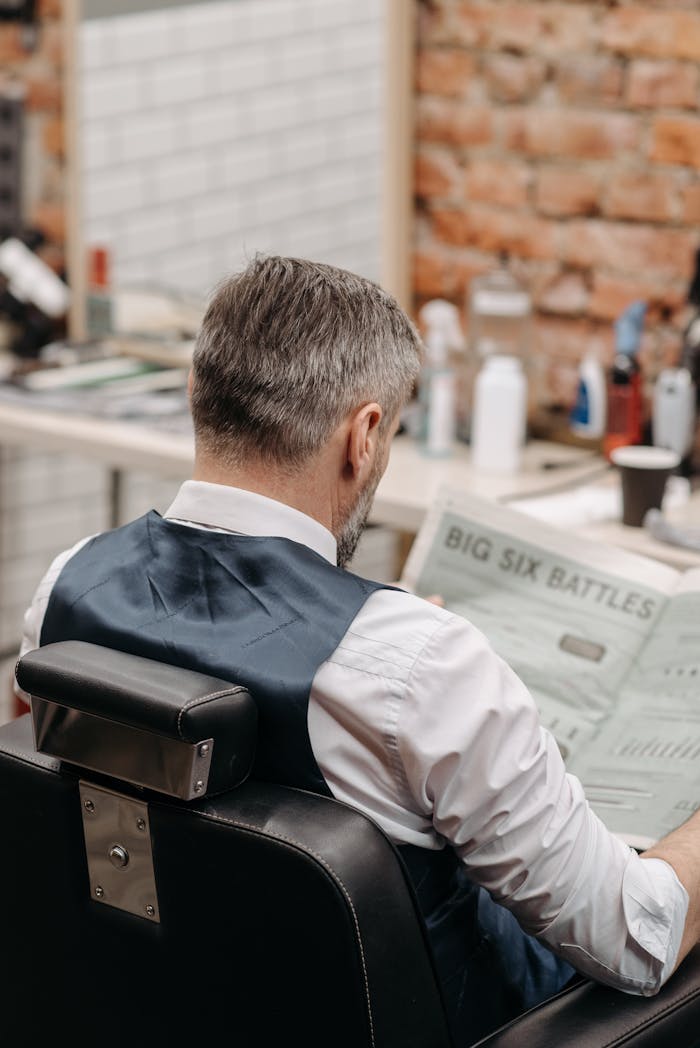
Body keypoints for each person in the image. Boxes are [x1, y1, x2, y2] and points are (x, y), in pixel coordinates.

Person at [17, 255, 700, 1045]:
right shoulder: (420, 666)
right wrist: (416, 662)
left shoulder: (64, 589)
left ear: (198, 398)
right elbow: (637, 939)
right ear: (364, 435)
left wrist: (403, 647)